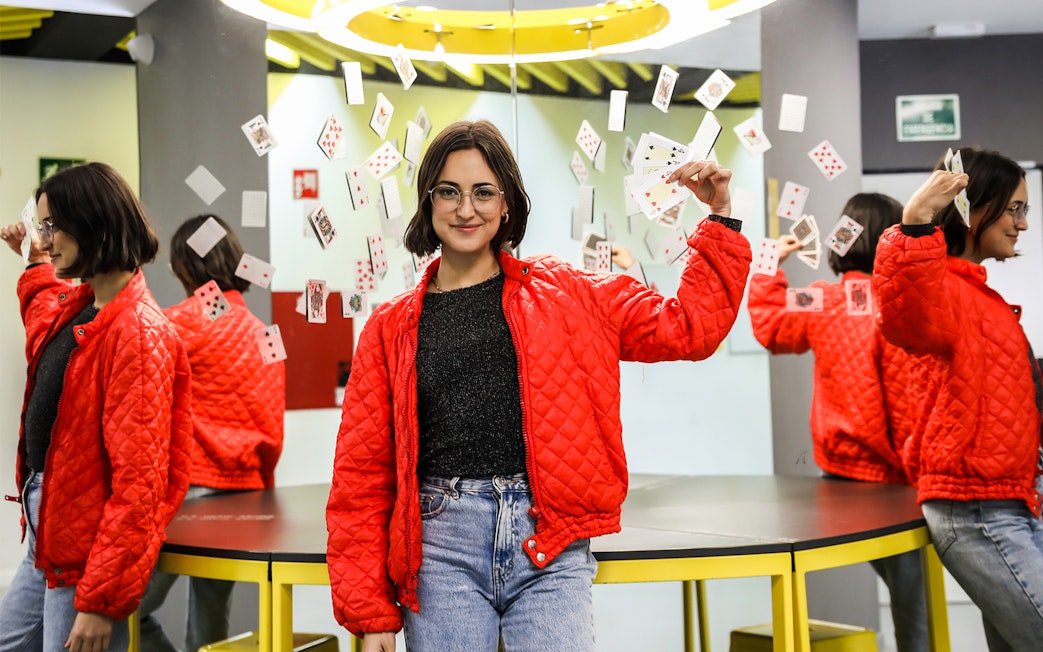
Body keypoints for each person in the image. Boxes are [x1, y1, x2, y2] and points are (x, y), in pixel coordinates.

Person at [325, 119, 752, 652]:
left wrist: (720, 217)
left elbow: (688, 328)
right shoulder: (390, 327)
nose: (466, 209)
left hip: (549, 542)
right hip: (440, 548)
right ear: (428, 201)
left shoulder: (568, 294)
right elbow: (361, 481)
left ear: (506, 203)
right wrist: (371, 616)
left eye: (483, 192)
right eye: (449, 192)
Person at [0, 162, 192, 652]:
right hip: (51, 530)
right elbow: (44, 318)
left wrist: (101, 600)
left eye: (53, 226)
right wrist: (34, 262)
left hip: (87, 548)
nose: (47, 239)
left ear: (93, 222)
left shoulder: (138, 332)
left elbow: (140, 485)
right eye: (43, 226)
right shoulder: (84, 307)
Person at [873, 147, 1043, 650]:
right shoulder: (940, 289)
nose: (1022, 224)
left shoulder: (978, 295)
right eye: (1013, 209)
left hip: (1012, 501)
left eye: (1024, 210)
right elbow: (904, 315)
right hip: (977, 511)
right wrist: (915, 221)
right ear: (974, 207)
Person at [747, 193, 929, 651]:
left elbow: (770, 326)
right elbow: (906, 407)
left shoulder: (822, 300)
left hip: (835, 475)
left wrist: (768, 260)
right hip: (892, 482)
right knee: (912, 599)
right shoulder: (892, 306)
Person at [137, 215, 286, 651]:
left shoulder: (180, 322)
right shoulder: (266, 334)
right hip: (246, 497)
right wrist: (263, 488)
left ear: (186, 267)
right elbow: (275, 432)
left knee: (124, 610)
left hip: (192, 491)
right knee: (210, 623)